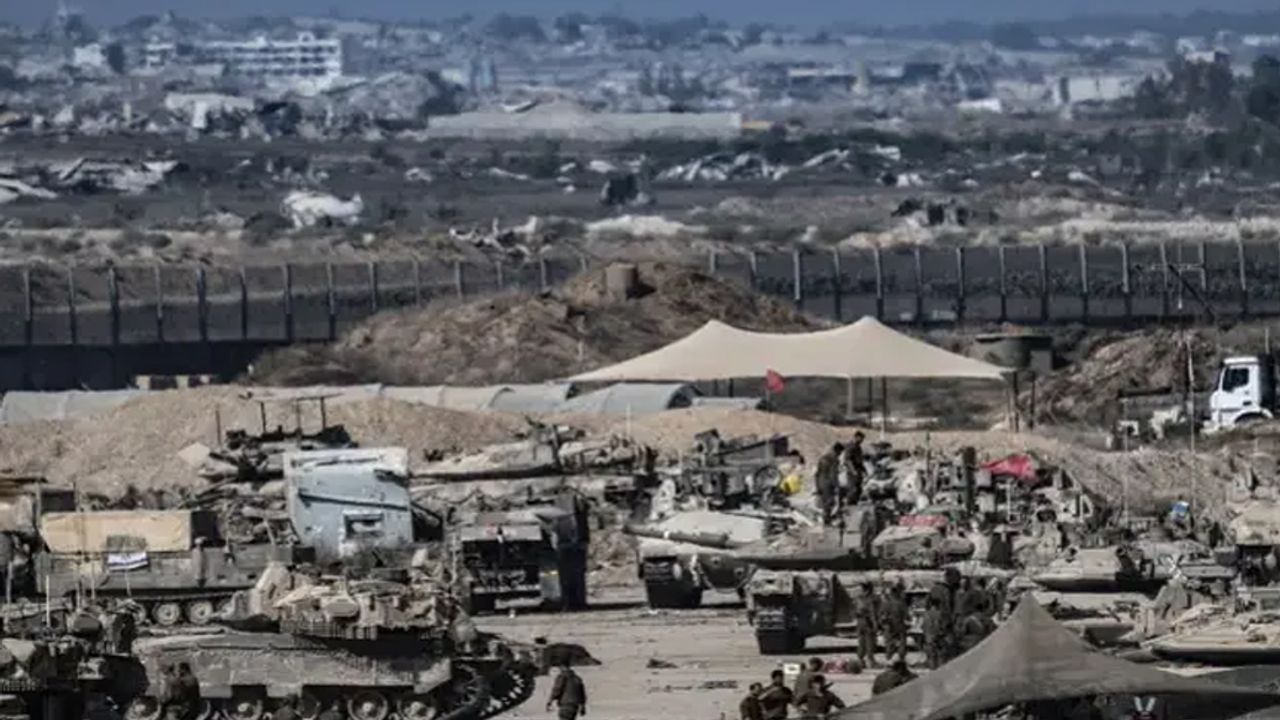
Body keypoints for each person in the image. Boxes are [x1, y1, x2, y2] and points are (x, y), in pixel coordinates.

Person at [880, 581, 909, 662]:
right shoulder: (901, 603)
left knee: (889, 642)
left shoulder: (886, 603)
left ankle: (889, 658)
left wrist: (883, 624)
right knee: (902, 641)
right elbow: (907, 616)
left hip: (889, 625)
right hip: (899, 624)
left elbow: (881, 615)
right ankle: (901, 658)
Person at [815, 444, 843, 524]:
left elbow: (817, 474)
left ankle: (825, 518)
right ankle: (827, 520)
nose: (839, 455)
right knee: (829, 502)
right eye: (840, 453)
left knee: (824, 502)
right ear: (838, 451)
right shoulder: (834, 460)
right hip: (828, 483)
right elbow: (833, 475)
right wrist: (837, 486)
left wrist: (817, 486)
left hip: (821, 481)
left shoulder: (822, 458)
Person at [854, 582, 879, 669]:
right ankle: (871, 661)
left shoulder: (858, 598)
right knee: (870, 642)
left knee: (861, 642)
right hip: (868, 622)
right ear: (868, 590)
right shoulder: (870, 599)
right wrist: (875, 624)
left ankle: (860, 660)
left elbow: (855, 610)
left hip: (860, 622)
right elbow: (872, 613)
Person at [922, 596, 948, 670]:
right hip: (938, 637)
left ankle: (932, 670)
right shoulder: (940, 614)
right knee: (940, 656)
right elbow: (940, 626)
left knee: (931, 656)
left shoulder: (926, 614)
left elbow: (924, 626)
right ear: (939, 604)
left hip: (928, 637)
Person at [843, 432, 866, 505]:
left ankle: (854, 502)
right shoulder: (850, 446)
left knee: (858, 488)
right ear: (856, 437)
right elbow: (848, 460)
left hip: (858, 470)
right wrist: (853, 471)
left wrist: (864, 470)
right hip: (852, 471)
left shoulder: (858, 447)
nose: (862, 440)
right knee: (852, 488)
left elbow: (860, 460)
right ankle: (850, 503)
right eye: (861, 438)